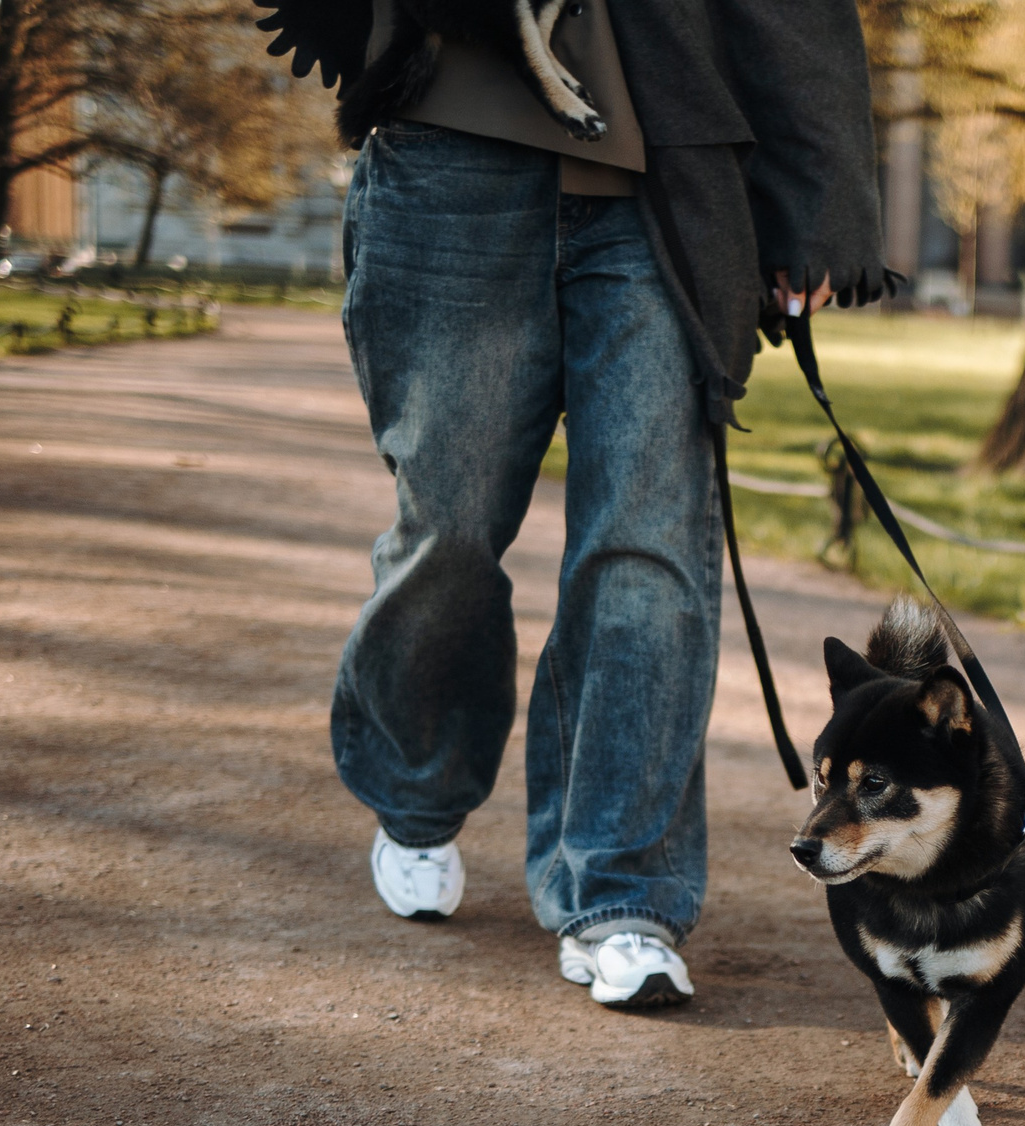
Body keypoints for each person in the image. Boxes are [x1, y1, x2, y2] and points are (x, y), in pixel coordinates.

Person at [255, 0, 886, 1007]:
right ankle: (418, 795)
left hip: (665, 181)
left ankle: (621, 891)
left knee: (650, 550)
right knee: (448, 532)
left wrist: (815, 208)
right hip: (448, 156)